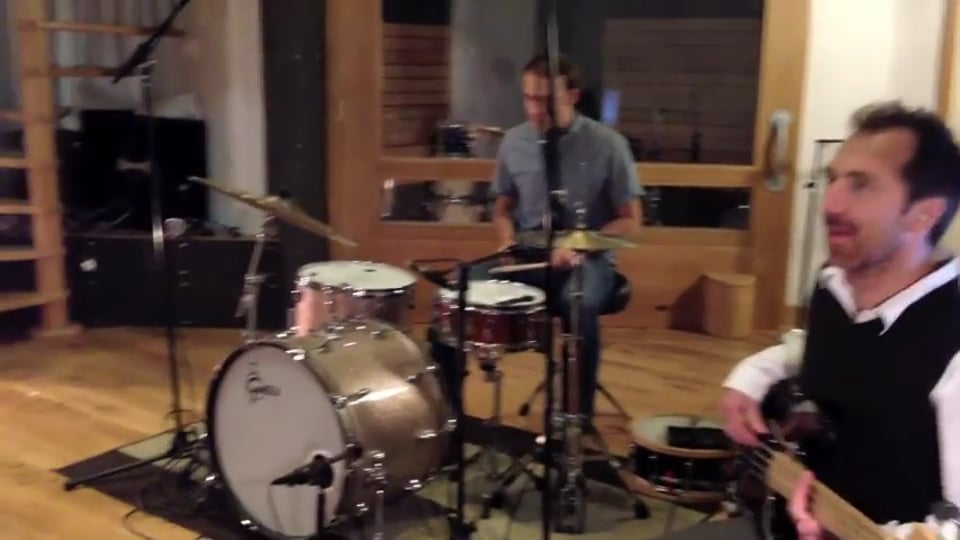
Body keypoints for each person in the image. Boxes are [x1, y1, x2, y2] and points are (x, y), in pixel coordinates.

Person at [663, 102, 960, 539]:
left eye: (861, 185)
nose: (831, 203)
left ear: (924, 214)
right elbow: (824, 349)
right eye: (832, 179)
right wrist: (750, 377)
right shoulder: (833, 285)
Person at [428, 53, 643, 423]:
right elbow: (502, 208)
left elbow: (631, 221)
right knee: (452, 296)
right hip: (526, 256)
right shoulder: (514, 142)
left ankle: (577, 420)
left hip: (588, 261)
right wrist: (506, 240)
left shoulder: (609, 145)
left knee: (578, 303)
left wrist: (578, 244)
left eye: (545, 101)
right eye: (528, 98)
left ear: (572, 96)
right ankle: (449, 414)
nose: (534, 110)